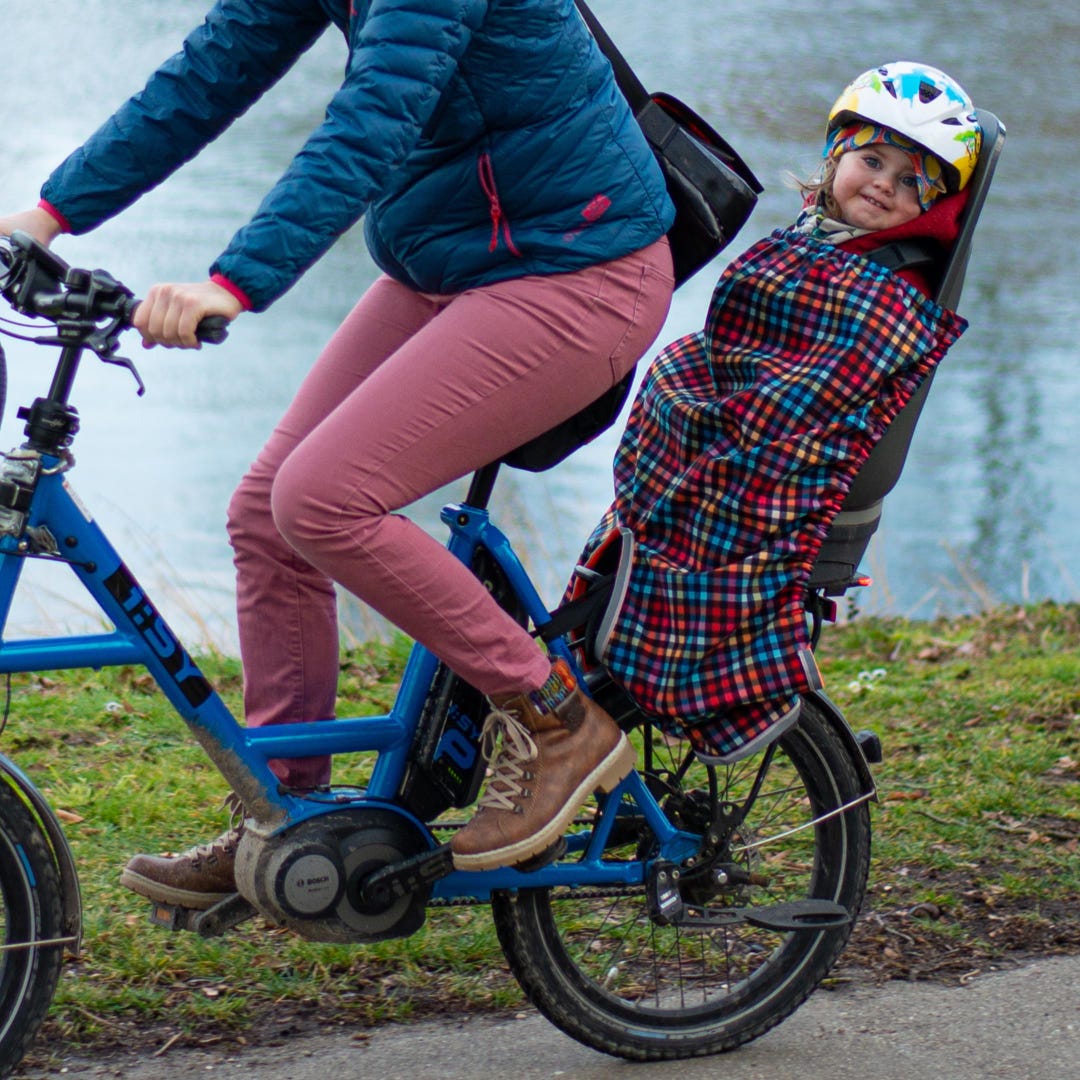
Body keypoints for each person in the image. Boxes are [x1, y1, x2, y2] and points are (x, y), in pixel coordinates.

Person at [1, 0, 677, 908]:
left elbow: (372, 118)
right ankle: (288, 817)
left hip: (577, 267)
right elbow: (209, 74)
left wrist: (235, 281)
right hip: (453, 258)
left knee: (321, 499)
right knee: (266, 513)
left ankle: (554, 716)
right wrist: (49, 212)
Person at [568, 61, 983, 760]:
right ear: (835, 157)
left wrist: (722, 416)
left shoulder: (888, 288)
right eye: (872, 159)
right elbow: (737, 335)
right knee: (671, 368)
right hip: (728, 405)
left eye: (912, 179)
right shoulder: (813, 237)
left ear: (935, 204)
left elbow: (816, 387)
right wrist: (698, 381)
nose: (883, 183)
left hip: (774, 452)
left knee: (683, 399)